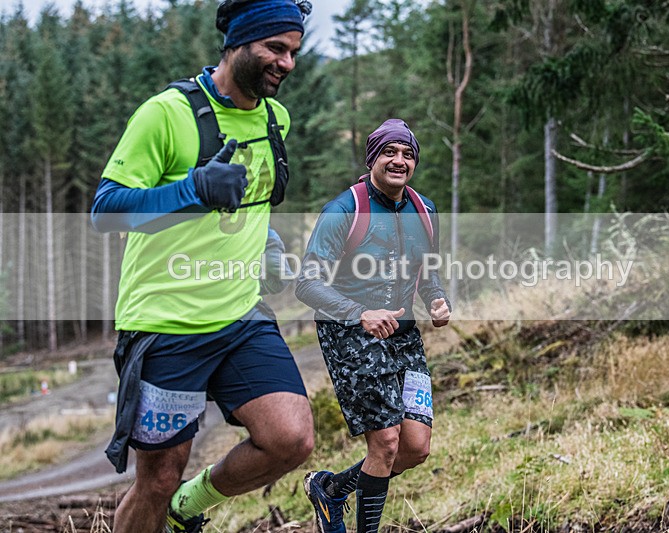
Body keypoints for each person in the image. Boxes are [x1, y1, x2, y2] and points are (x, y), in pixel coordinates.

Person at [90, 1, 313, 532]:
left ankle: (188, 510)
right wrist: (190, 190)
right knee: (158, 479)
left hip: (240, 317)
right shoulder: (165, 113)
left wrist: (270, 246)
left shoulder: (276, 120)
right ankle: (167, 502)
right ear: (237, 44)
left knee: (291, 439)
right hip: (166, 326)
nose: (287, 63)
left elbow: (252, 203)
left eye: (294, 52)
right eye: (275, 49)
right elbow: (105, 211)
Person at [295, 119, 452, 533]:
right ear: (372, 160)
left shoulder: (426, 211)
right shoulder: (343, 210)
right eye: (390, 152)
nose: (399, 161)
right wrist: (358, 313)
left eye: (408, 154)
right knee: (384, 443)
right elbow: (307, 283)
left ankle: (330, 489)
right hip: (349, 332)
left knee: (414, 447)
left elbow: (429, 275)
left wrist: (438, 299)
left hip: (402, 333)